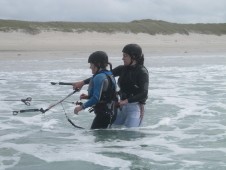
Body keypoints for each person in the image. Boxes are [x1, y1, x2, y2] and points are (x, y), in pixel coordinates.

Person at [73, 44, 149, 128]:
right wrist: (83, 82)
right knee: (112, 132)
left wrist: (125, 101)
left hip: (135, 108)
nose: (122, 58)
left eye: (125, 56)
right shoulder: (122, 69)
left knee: (130, 135)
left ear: (134, 57)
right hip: (120, 107)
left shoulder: (142, 72)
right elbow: (103, 76)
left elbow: (144, 93)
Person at [74, 51, 117, 129]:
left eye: (91, 64)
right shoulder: (109, 74)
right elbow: (107, 95)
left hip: (104, 114)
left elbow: (96, 99)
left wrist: (80, 107)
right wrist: (87, 97)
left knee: (97, 139)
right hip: (112, 112)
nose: (90, 67)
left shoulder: (99, 77)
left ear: (98, 64)